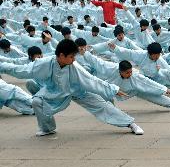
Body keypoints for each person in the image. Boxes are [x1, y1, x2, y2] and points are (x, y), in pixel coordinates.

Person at [0, 39, 144, 137]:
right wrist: (2, 66)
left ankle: (130, 123)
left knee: (102, 106)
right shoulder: (43, 63)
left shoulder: (74, 66)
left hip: (78, 91)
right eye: (71, 57)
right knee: (37, 101)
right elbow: (20, 70)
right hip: (54, 92)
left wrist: (112, 89)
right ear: (61, 55)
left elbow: (91, 80)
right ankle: (47, 128)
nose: (74, 59)